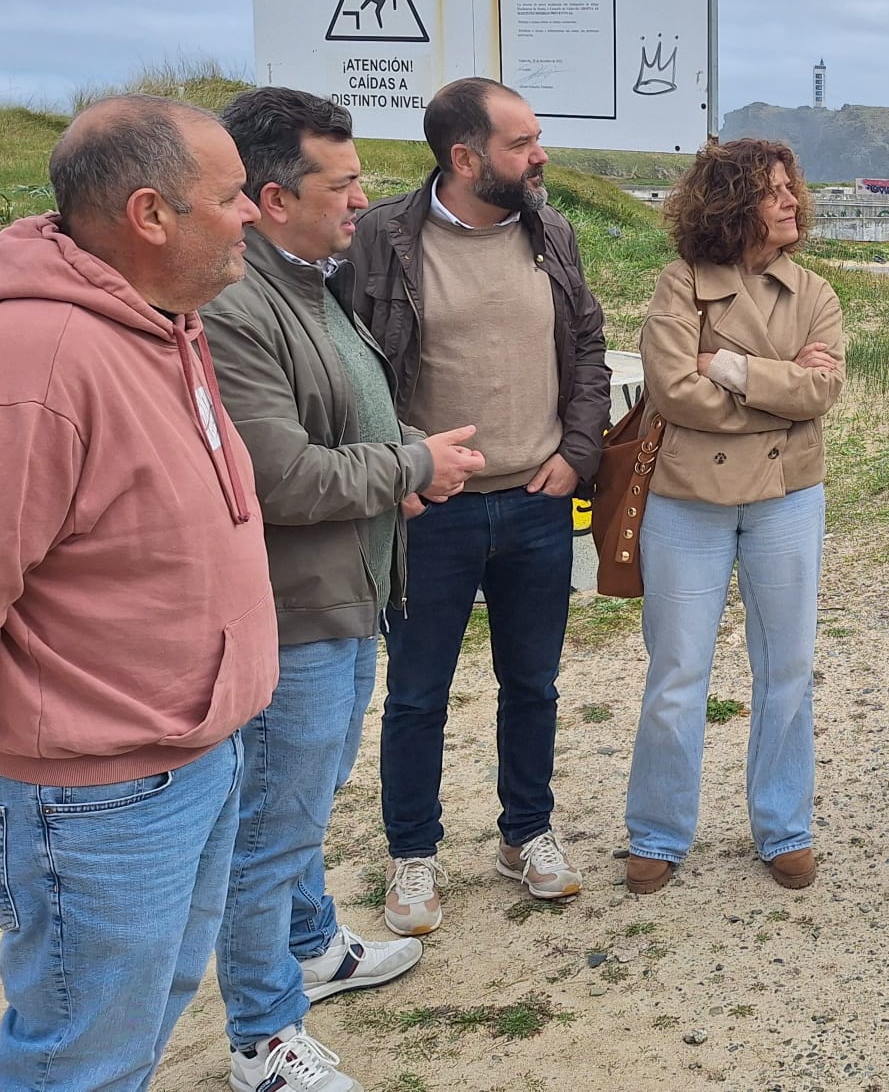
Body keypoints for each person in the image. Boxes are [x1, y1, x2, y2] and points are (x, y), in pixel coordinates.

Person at [203, 89, 489, 1090]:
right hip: (296, 608)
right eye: (345, 182)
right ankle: (263, 1040)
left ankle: (313, 944)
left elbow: (336, 429)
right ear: (275, 197)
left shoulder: (302, 279)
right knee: (272, 823)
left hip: (344, 587)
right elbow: (279, 477)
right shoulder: (238, 307)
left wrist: (389, 475)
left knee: (305, 799)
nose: (363, 199)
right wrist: (410, 469)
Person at [0, 96, 275, 1090]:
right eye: (234, 196)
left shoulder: (167, 323)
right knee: (79, 1056)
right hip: (102, 795)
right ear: (152, 215)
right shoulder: (41, 361)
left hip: (190, 754)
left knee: (133, 1027)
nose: (253, 213)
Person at [349, 78, 611, 935]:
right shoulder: (382, 240)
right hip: (434, 513)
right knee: (419, 694)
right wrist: (401, 472)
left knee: (531, 684)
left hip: (537, 504)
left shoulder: (552, 230)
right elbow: (354, 373)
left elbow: (587, 346)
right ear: (465, 159)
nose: (541, 156)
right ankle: (412, 856)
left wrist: (578, 454)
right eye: (520, 143)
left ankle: (526, 833)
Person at [623, 140, 846, 895]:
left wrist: (736, 369)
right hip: (688, 499)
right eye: (771, 190)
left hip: (789, 497)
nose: (790, 201)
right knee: (678, 670)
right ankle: (656, 829)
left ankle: (784, 826)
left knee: (786, 668)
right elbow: (672, 391)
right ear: (729, 204)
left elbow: (823, 394)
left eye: (792, 187)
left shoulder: (814, 291)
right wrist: (777, 393)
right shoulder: (680, 282)